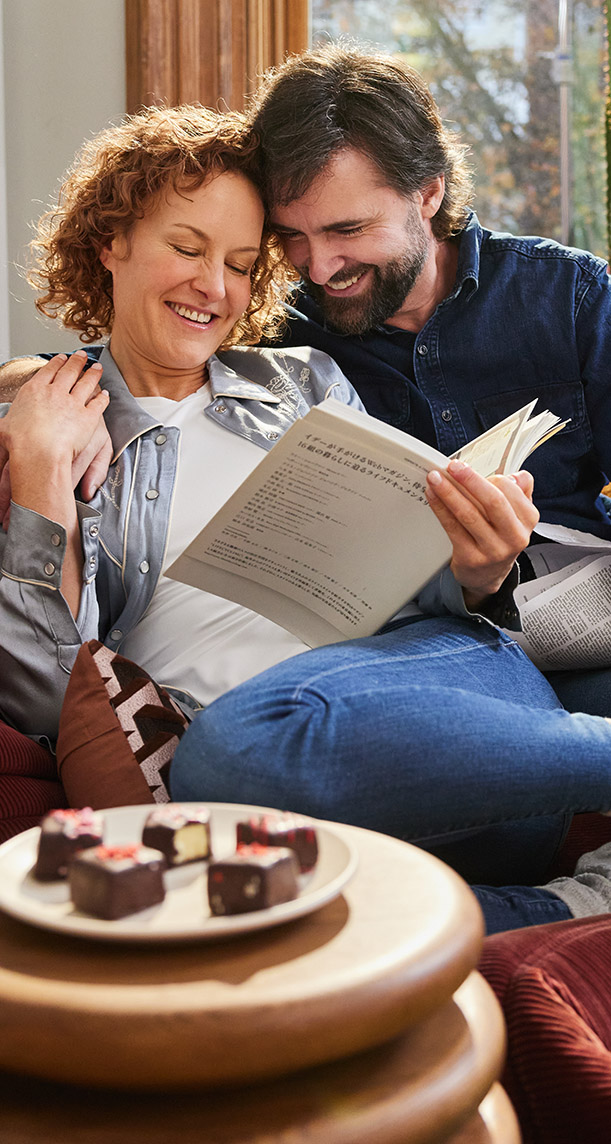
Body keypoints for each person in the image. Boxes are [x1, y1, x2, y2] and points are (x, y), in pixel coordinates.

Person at [0, 104, 611, 934]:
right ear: (108, 242)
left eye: (239, 262)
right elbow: (46, 706)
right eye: (187, 249)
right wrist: (46, 479)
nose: (215, 287)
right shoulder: (28, 438)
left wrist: (474, 568)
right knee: (229, 799)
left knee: (236, 751)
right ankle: (575, 904)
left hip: (440, 694)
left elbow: (417, 584)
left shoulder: (302, 379)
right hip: (289, 778)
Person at [248, 41, 611, 717]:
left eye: (347, 229)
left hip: (577, 643)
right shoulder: (282, 329)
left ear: (429, 192)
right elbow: (122, 354)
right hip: (411, 655)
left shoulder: (567, 297)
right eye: (289, 236)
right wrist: (15, 389)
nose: (318, 267)